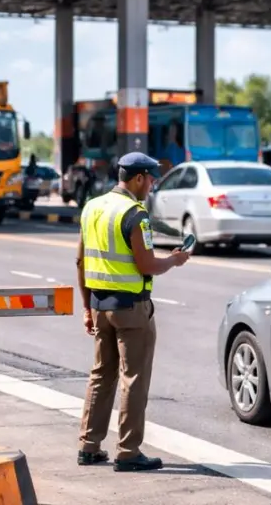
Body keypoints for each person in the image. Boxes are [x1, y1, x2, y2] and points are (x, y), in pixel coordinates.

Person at [75, 151, 190, 472]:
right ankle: (128, 451)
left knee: (101, 375)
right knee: (133, 379)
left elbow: (80, 262)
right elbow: (147, 264)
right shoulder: (135, 214)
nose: (152, 185)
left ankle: (89, 445)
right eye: (151, 179)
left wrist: (86, 307)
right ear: (138, 178)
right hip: (131, 309)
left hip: (99, 305)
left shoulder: (92, 207)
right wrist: (174, 260)